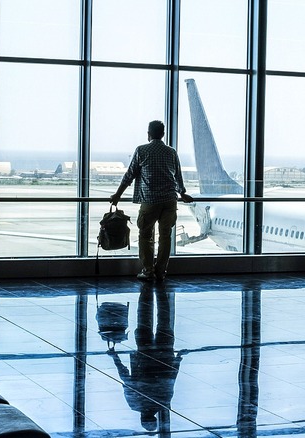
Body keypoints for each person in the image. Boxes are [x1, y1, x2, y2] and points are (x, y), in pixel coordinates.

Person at [109, 120, 193, 281]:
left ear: (149, 134)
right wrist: (182, 193)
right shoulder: (171, 152)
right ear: (163, 134)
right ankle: (161, 272)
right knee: (165, 237)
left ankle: (148, 271)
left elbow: (129, 175)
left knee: (146, 235)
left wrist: (118, 195)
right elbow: (178, 175)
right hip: (170, 201)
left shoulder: (142, 150)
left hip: (150, 200)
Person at [107, 282, 186, 432]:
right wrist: (114, 357)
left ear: (155, 418)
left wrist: (179, 358)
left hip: (164, 354)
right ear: (142, 418)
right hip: (143, 355)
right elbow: (125, 376)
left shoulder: (163, 401)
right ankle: (146, 291)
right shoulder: (135, 403)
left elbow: (171, 376)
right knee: (144, 318)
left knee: (164, 318)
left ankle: (158, 290)